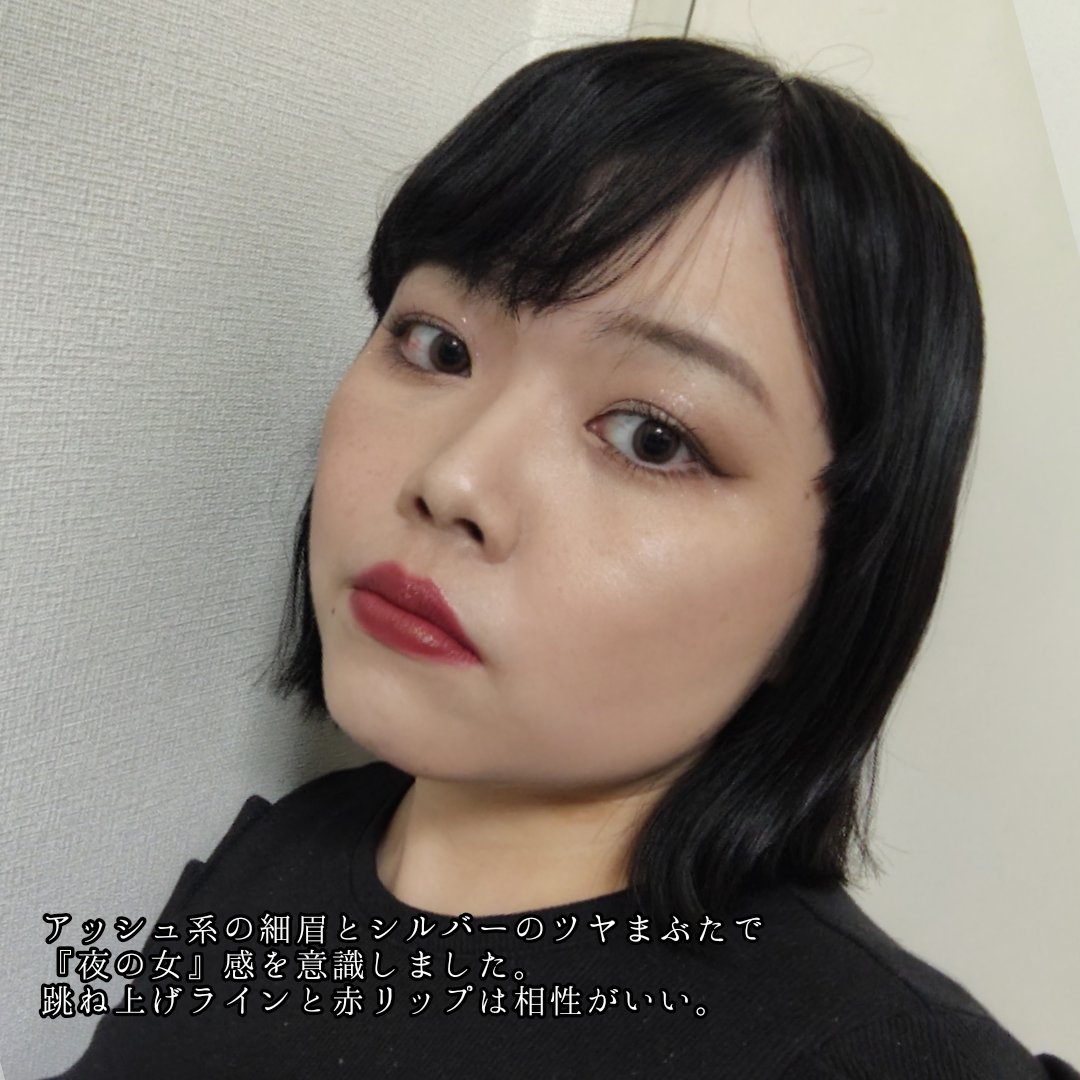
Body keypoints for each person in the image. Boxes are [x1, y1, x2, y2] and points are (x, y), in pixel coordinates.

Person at [44, 36, 1077, 1079]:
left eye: (652, 438)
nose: (454, 479)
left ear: (837, 594)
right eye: (438, 345)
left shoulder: (885, 1059)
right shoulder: (278, 863)